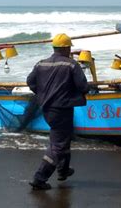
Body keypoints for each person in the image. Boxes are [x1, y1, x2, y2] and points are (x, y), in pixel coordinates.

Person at [27, 33, 89, 190]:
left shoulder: (41, 64)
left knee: (63, 138)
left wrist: (42, 93)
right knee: (58, 145)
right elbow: (83, 87)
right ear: (67, 48)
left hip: (47, 109)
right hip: (62, 109)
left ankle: (63, 170)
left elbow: (30, 81)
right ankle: (39, 178)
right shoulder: (71, 65)